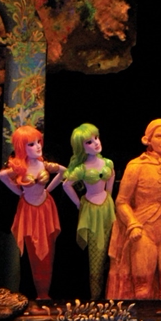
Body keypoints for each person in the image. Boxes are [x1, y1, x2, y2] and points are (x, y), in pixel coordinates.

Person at [106, 119, 161, 299]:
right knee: (142, 290)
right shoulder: (136, 165)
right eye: (159, 136)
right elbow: (122, 201)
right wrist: (132, 224)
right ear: (148, 139)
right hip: (143, 229)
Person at [0, 125, 66, 299]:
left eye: (38, 142)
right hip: (28, 210)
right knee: (31, 252)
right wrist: (19, 192)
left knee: (48, 251)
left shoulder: (44, 164)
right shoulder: (20, 168)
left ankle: (44, 293)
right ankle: (35, 292)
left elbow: (63, 172)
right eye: (31, 144)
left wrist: (48, 189)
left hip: (45, 208)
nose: (38, 146)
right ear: (22, 148)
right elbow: (2, 176)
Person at [62, 123, 116, 299]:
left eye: (96, 138)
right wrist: (78, 203)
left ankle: (110, 293)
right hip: (92, 210)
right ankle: (95, 296)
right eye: (89, 142)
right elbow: (66, 185)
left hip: (107, 208)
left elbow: (112, 175)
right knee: (96, 256)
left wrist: (109, 195)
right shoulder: (82, 168)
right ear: (81, 147)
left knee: (113, 248)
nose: (96, 143)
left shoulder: (107, 162)